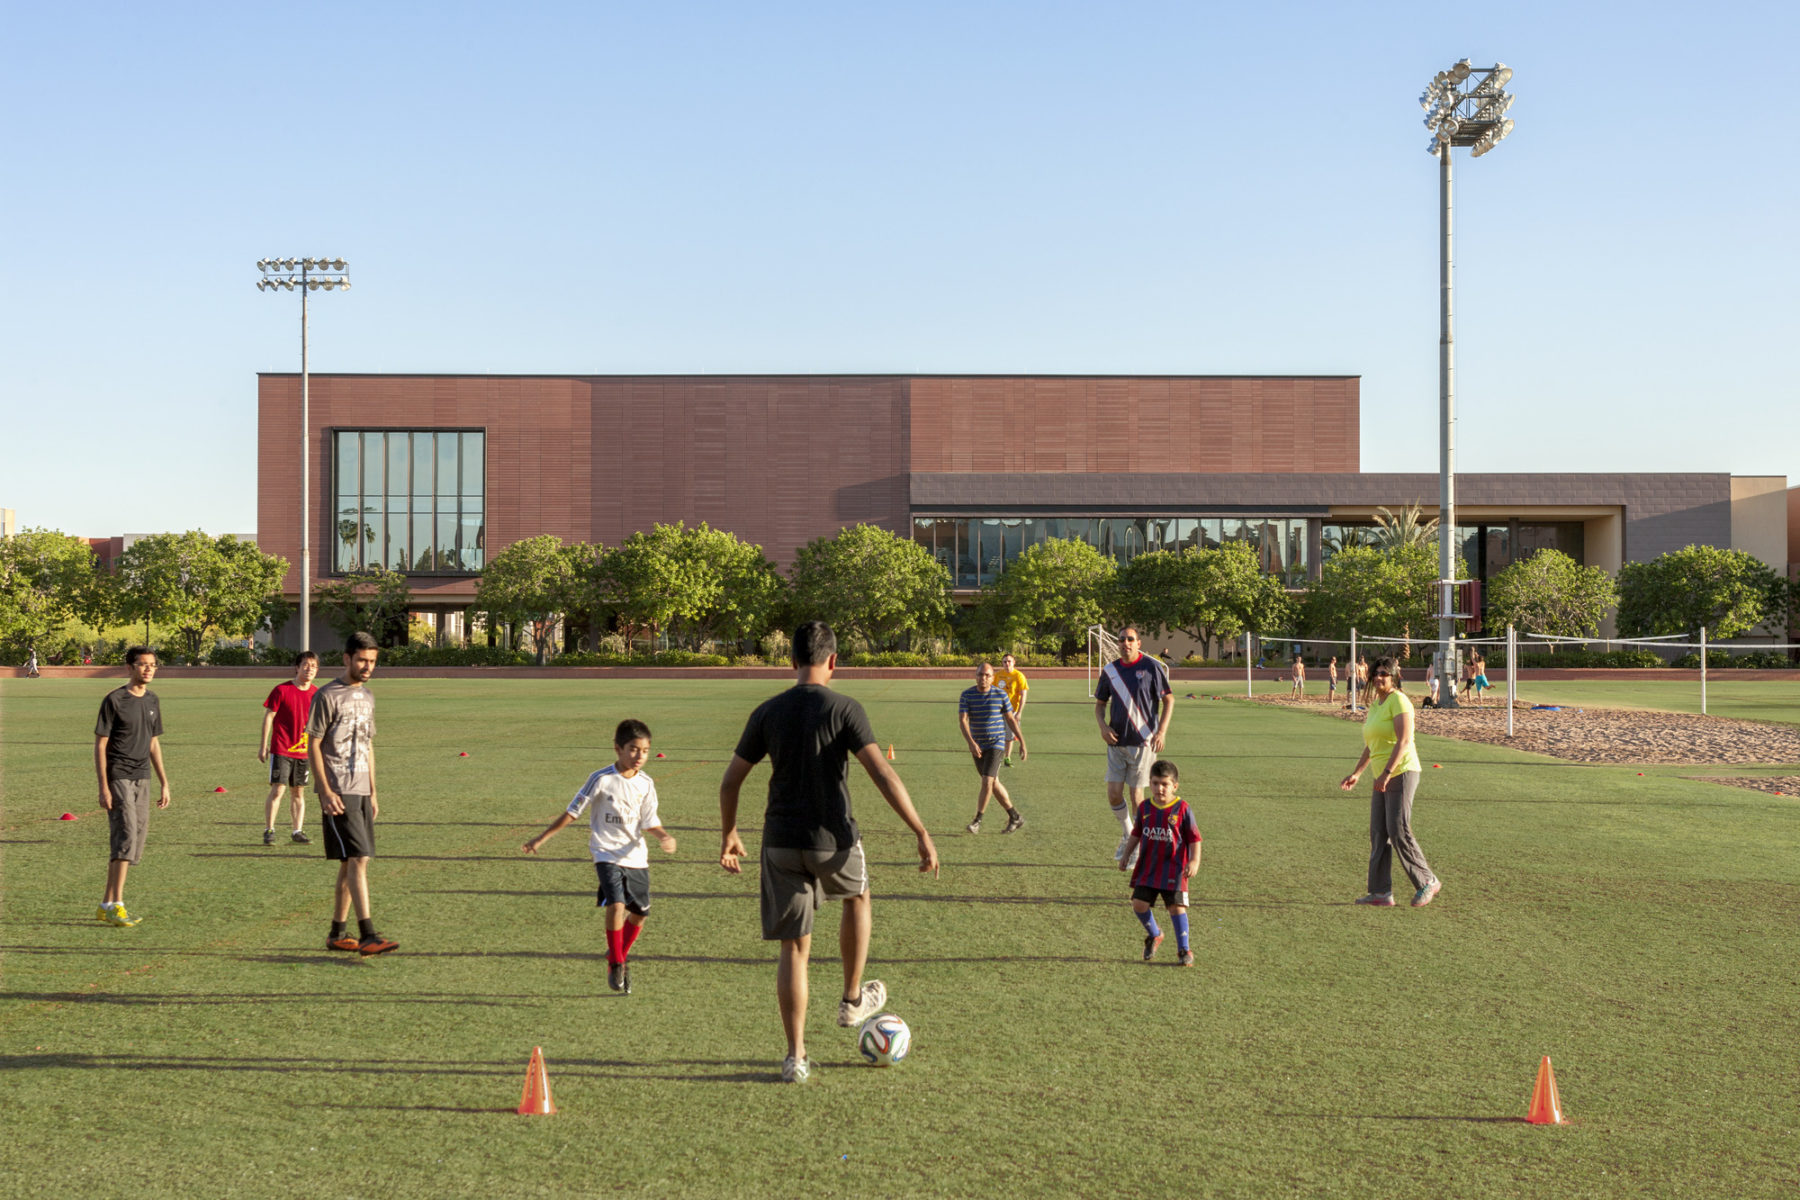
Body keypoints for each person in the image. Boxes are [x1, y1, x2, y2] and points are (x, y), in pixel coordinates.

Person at [718, 621, 938, 1084]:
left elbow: (731, 780)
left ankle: (796, 1057)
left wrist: (729, 832)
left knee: (794, 950)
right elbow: (882, 774)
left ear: (792, 661)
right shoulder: (845, 708)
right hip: (834, 840)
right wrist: (919, 829)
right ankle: (852, 999)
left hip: (780, 841)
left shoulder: (767, 711)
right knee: (857, 898)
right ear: (834, 662)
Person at [523, 718, 677, 995]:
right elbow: (573, 811)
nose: (639, 755)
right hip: (605, 852)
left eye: (644, 750)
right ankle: (617, 963)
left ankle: (616, 954)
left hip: (636, 856)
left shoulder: (646, 783)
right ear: (617, 749)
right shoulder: (601, 779)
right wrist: (541, 838)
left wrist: (663, 835)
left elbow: (649, 820)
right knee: (616, 905)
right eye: (632, 749)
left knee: (639, 915)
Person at [307, 631, 398, 956]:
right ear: (346, 659)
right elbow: (313, 744)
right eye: (361, 660)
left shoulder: (369, 697)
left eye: (372, 661)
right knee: (359, 858)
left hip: (360, 789)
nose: (367, 666)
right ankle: (368, 934)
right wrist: (325, 790)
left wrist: (373, 791)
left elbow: (368, 744)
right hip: (338, 791)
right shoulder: (327, 696)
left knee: (349, 863)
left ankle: (336, 934)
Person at [1338, 656, 1441, 908]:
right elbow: (1372, 745)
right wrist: (1358, 773)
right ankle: (1380, 892)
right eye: (1376, 674)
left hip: (1402, 771)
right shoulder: (1376, 704)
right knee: (1379, 832)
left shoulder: (1399, 700)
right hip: (1381, 773)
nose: (1379, 678)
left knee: (1397, 828)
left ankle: (1427, 880)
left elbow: (1404, 741)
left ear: (1394, 676)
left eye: (1384, 674)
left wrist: (1386, 773)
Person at [94, 646, 170, 927]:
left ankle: (105, 904)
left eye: (153, 665)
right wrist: (103, 786)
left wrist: (164, 782)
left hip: (143, 777)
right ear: (130, 667)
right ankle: (118, 904)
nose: (149, 669)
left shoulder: (152, 700)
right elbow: (100, 744)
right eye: (143, 664)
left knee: (132, 839)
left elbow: (153, 742)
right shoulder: (114, 700)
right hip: (119, 776)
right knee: (125, 837)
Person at [1093, 625, 1174, 865]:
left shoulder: (1151, 667)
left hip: (1143, 742)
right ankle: (1129, 833)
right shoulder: (1110, 671)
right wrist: (1103, 727)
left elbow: (1169, 700)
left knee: (1138, 797)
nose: (1125, 643)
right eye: (1121, 640)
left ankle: (1140, 847)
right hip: (1116, 742)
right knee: (1113, 794)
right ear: (1117, 644)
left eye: (1130, 639)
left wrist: (1162, 731)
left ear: (1138, 643)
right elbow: (1099, 705)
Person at [1118, 759, 1201, 966]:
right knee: (1138, 905)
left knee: (1176, 907)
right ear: (1150, 783)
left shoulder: (1182, 809)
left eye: (1165, 784)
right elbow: (1136, 833)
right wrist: (1126, 855)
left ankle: (1184, 950)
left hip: (1174, 869)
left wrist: (1194, 860)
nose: (1159, 788)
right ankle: (1155, 934)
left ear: (1175, 786)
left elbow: (1194, 838)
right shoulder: (1145, 807)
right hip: (1148, 867)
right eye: (1155, 783)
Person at [258, 651, 319, 845]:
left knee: (298, 792)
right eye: (306, 665)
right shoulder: (281, 690)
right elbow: (269, 716)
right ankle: (269, 829)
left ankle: (297, 831)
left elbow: (320, 724)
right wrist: (263, 745)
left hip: (304, 751)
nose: (309, 669)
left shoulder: (317, 694)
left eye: (314, 666)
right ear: (297, 667)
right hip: (282, 748)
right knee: (278, 790)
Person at [959, 661, 1027, 834]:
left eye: (987, 675)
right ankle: (1015, 817)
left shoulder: (1000, 695)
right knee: (993, 783)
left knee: (987, 781)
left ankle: (977, 821)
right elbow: (963, 720)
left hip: (996, 743)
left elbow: (1011, 720)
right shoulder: (967, 695)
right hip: (977, 746)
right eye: (980, 674)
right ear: (975, 676)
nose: (983, 678)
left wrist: (1022, 742)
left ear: (992, 678)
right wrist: (971, 743)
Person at [992, 652, 1029, 767]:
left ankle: (1007, 758)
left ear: (1014, 663)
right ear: (1002, 663)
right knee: (995, 734)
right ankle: (995, 757)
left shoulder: (1019, 676)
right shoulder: (998, 675)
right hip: (998, 710)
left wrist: (1019, 712)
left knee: (1009, 736)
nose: (1007, 663)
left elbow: (1023, 695)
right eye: (1005, 662)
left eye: (1009, 661)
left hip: (1011, 711)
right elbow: (991, 690)